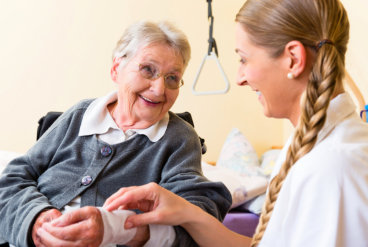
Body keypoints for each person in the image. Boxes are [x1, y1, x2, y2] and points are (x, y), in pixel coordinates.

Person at [104, 0, 368, 246]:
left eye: (244, 59)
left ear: (294, 59)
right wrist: (186, 213)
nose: (240, 78)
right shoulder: (311, 147)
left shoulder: (332, 168)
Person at [0, 20, 232, 247]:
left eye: (172, 78)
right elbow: (13, 179)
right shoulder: (79, 115)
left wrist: (117, 229)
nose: (159, 89)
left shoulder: (178, 139)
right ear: (117, 69)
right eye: (148, 69)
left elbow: (198, 218)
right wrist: (35, 220)